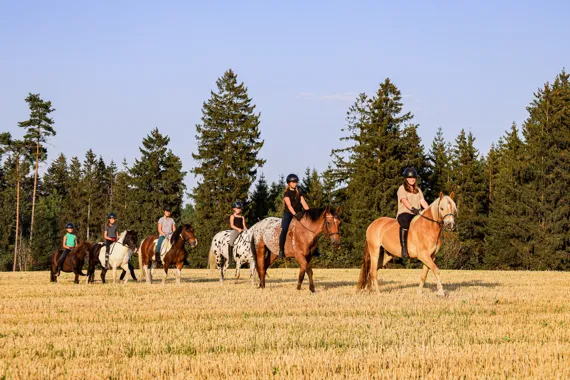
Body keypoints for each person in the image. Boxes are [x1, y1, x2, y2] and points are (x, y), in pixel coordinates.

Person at [397, 167, 429, 259]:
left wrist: (428, 210)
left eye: (414, 178)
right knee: (406, 222)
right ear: (406, 179)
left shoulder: (418, 190)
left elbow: (422, 201)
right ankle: (403, 249)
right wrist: (412, 209)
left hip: (416, 214)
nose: (412, 179)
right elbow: (404, 200)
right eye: (410, 178)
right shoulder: (402, 188)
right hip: (405, 213)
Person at [278, 174, 310, 259]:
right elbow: (289, 206)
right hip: (289, 214)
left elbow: (304, 203)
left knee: (310, 227)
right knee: (284, 230)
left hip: (299, 213)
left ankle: (315, 249)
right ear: (289, 183)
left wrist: (309, 213)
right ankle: (281, 251)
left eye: (296, 182)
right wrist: (295, 214)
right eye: (293, 182)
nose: (295, 183)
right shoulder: (286, 193)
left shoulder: (299, 192)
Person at [228, 201, 247, 265]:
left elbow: (244, 226)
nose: (238, 209)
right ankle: (230, 258)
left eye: (239, 208)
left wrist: (246, 230)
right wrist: (238, 229)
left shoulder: (242, 217)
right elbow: (232, 225)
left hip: (242, 230)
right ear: (234, 209)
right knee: (231, 242)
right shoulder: (232, 216)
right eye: (237, 208)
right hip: (236, 230)